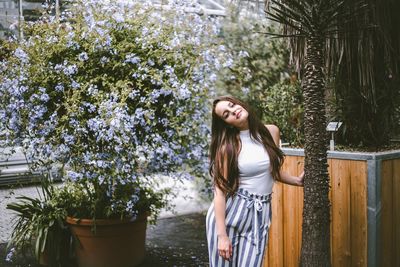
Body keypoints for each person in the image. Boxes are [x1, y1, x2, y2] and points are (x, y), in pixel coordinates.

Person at [206, 95, 304, 267]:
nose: (233, 111)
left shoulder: (270, 131)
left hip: (260, 212)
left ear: (240, 104)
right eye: (226, 114)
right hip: (231, 213)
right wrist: (221, 236)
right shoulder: (228, 147)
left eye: (232, 105)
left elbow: (272, 170)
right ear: (227, 123)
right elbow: (220, 192)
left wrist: (296, 181)